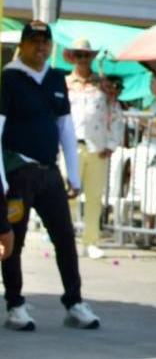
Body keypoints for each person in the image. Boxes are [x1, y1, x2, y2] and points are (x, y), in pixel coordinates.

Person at [0, 21, 101, 330]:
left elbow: (65, 128)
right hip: (18, 171)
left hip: (49, 172)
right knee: (12, 241)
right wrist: (1, 180)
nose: (41, 47)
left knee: (65, 238)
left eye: (46, 42)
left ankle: (74, 301)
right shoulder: (9, 79)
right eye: (35, 41)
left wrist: (73, 174)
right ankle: (15, 305)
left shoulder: (56, 78)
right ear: (22, 45)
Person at [64, 38, 122, 261]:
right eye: (79, 55)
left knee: (95, 197)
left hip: (97, 147)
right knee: (69, 196)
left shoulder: (103, 86)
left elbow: (116, 115)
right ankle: (68, 240)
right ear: (72, 57)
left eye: (86, 55)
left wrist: (111, 143)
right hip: (71, 146)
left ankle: (91, 241)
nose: (83, 59)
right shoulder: (65, 84)